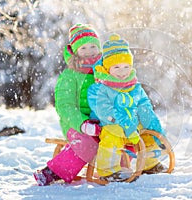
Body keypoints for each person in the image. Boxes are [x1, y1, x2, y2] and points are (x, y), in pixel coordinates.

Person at [87, 34, 167, 182]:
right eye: (116, 67)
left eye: (126, 66)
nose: (122, 71)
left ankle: (150, 164)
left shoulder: (134, 86)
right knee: (113, 133)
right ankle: (107, 171)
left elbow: (144, 106)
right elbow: (105, 111)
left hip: (131, 123)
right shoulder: (98, 89)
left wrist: (156, 129)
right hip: (108, 122)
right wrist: (127, 126)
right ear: (107, 68)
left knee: (147, 131)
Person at [33, 24, 103, 186]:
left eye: (93, 46)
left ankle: (142, 163)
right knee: (87, 143)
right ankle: (52, 172)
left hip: (103, 120)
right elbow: (65, 106)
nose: (90, 51)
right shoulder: (70, 76)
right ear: (76, 51)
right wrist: (83, 124)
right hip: (76, 125)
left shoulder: (104, 71)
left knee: (123, 133)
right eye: (83, 47)